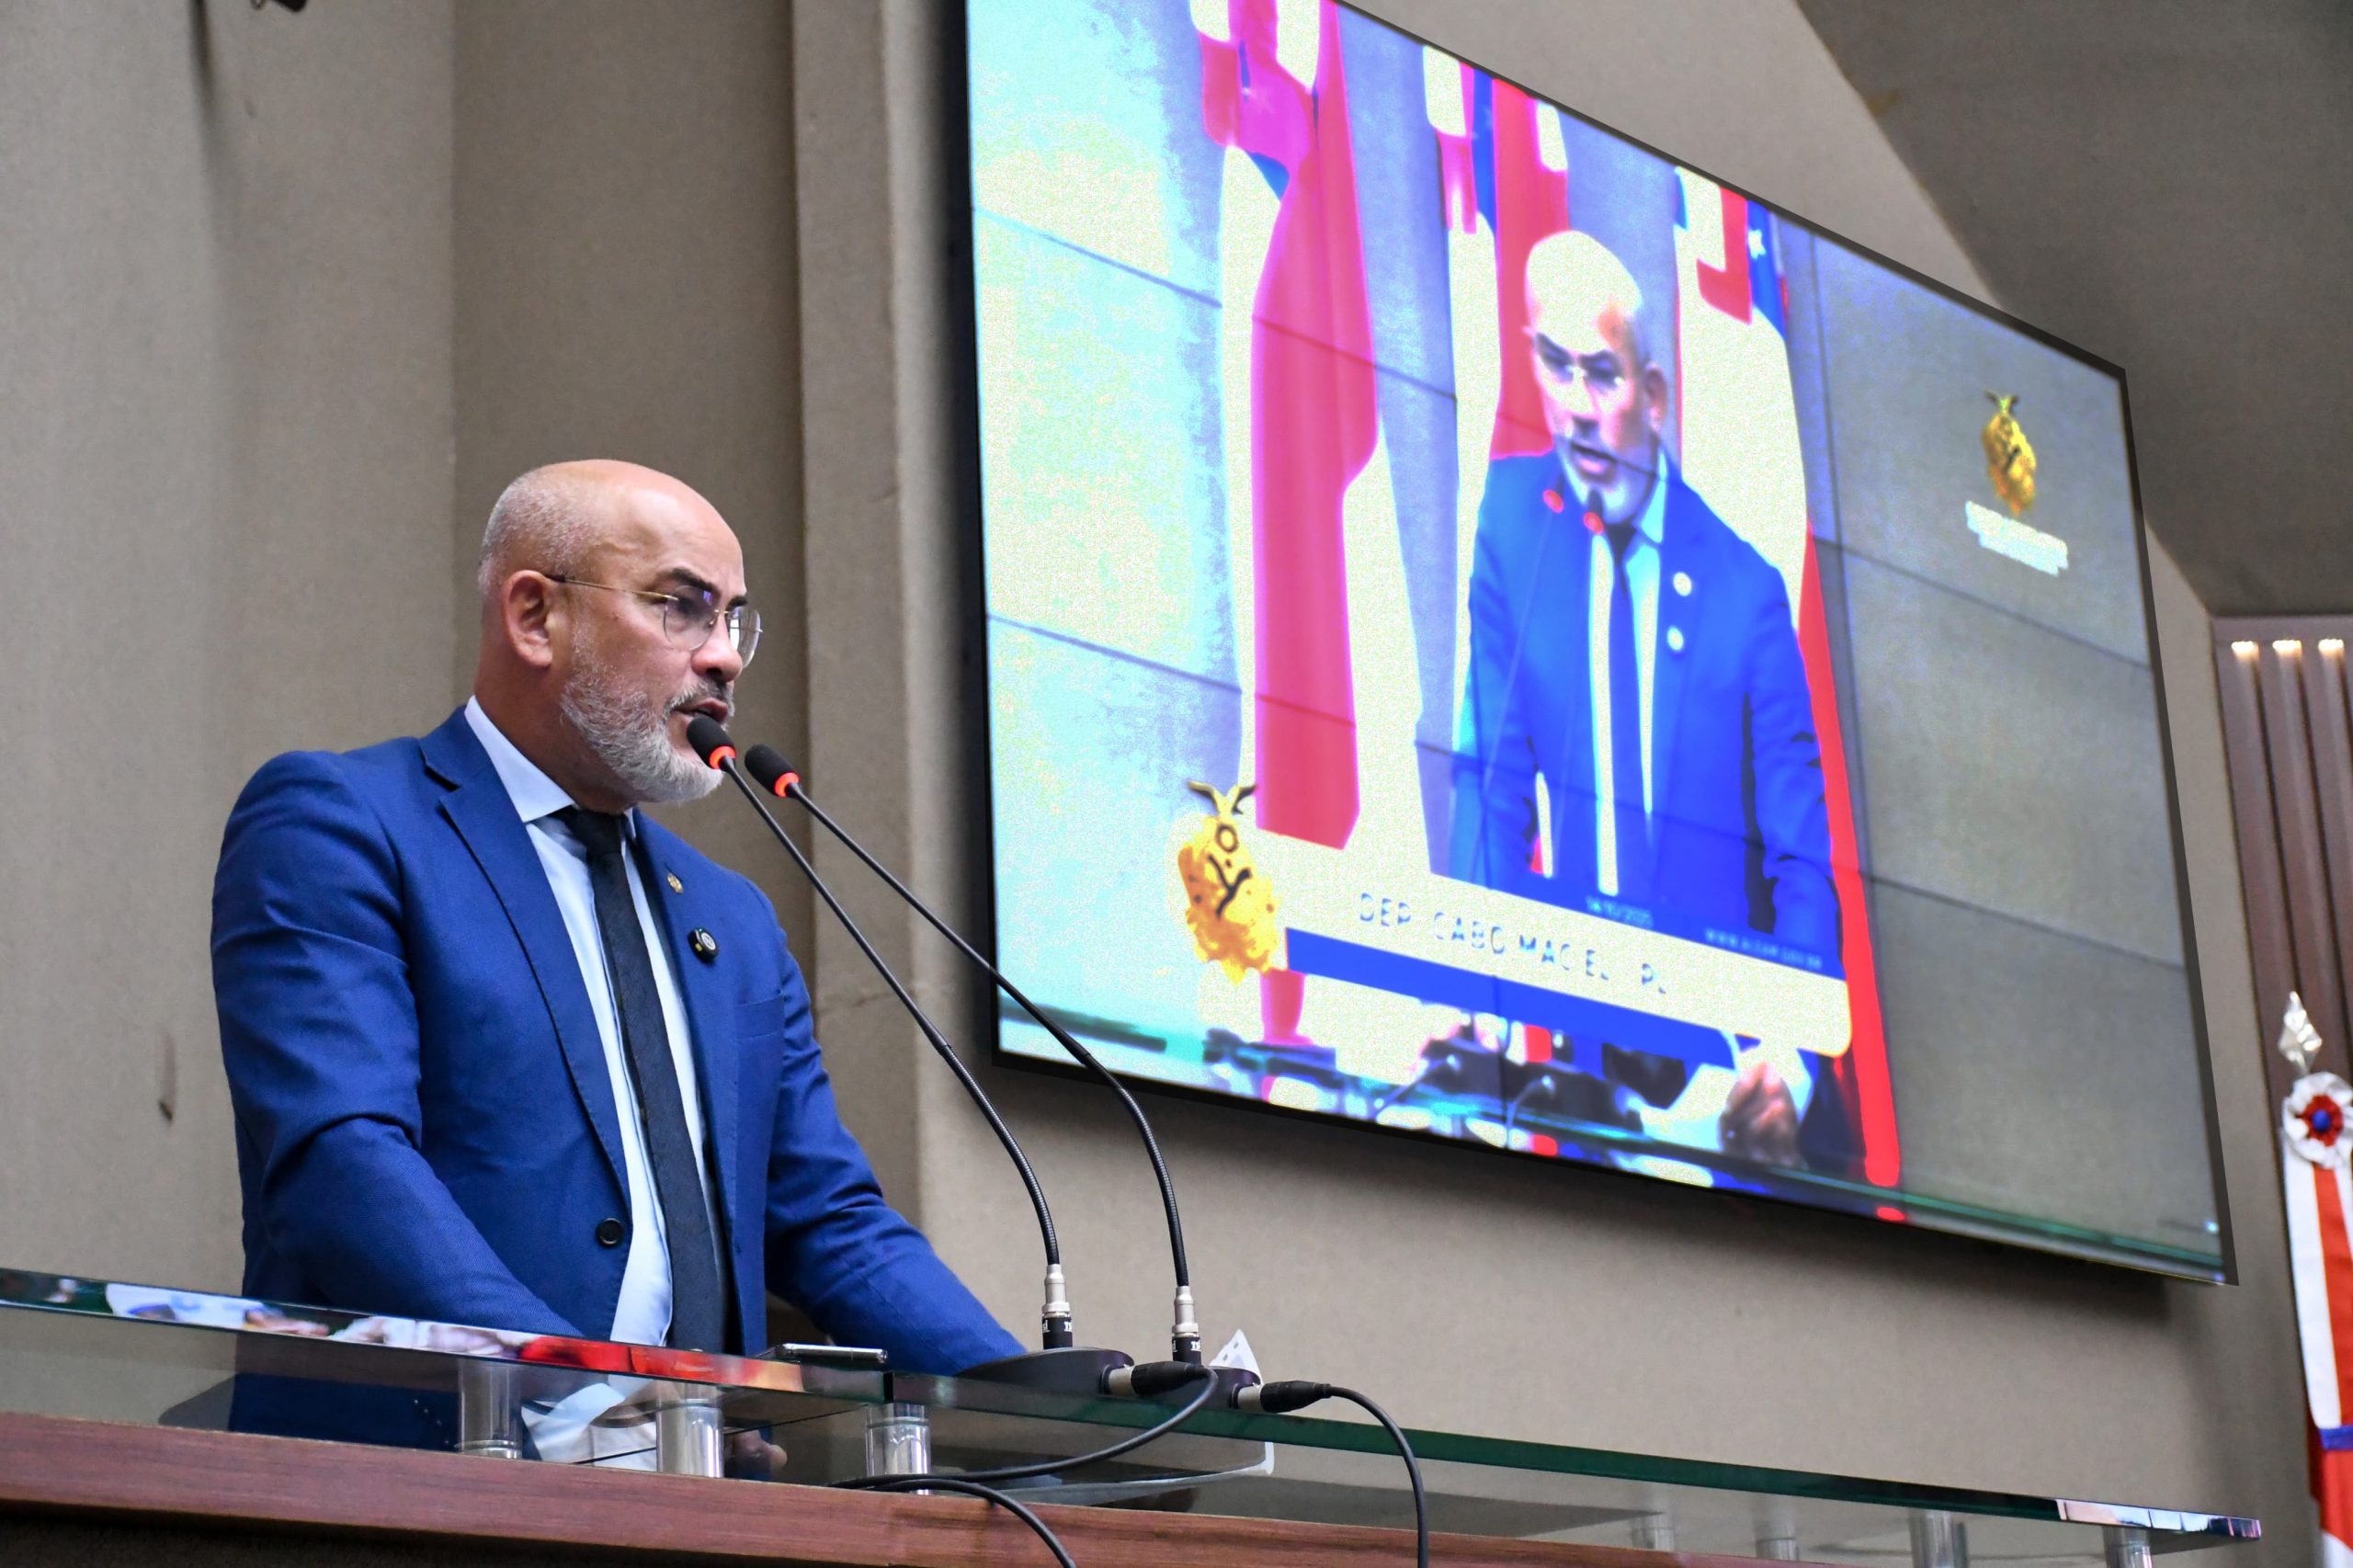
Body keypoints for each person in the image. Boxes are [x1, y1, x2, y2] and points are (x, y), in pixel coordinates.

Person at [212, 461, 1020, 1445]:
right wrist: (569, 1382)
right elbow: (340, 1157)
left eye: (733, 620)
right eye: (683, 608)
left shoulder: (734, 919)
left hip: (690, 1505)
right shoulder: (345, 823)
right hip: (417, 1486)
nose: (722, 656)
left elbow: (830, 1224)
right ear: (534, 618)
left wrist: (1033, 1399)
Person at [1448, 233, 1837, 1165]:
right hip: (1574, 1091)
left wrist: (1787, 1057)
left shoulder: (1744, 594)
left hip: (1717, 1093)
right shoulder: (1511, 522)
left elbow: (1799, 860)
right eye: (1553, 365)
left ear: (1654, 397)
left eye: (1602, 376)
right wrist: (1472, 979)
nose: (1576, 408)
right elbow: (1491, 786)